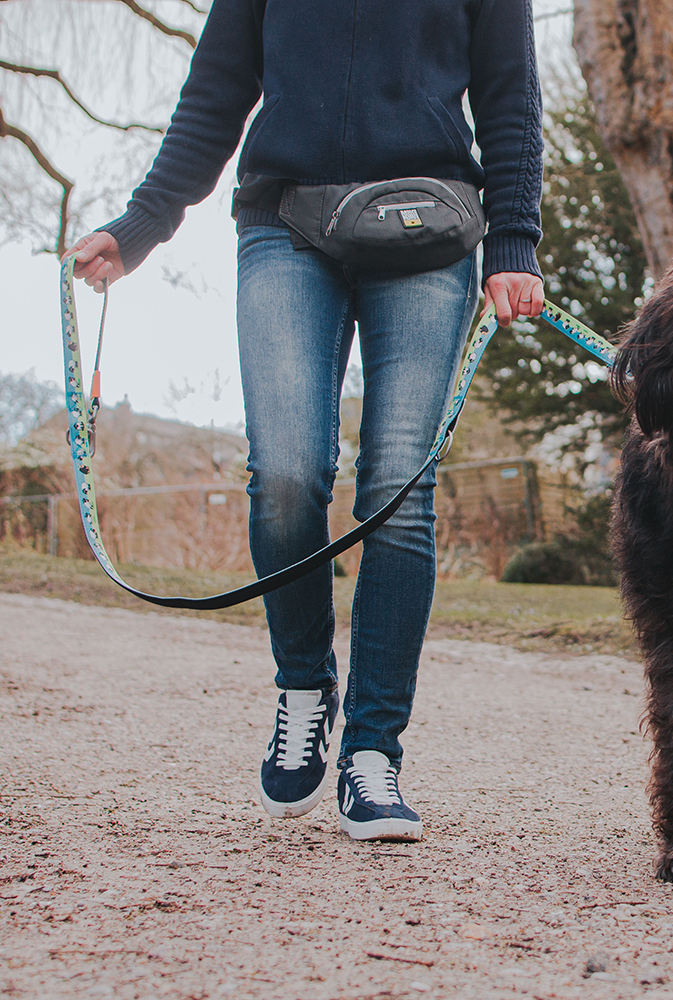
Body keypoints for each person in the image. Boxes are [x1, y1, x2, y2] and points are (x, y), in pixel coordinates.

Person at [65, 0, 544, 842]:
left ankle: (372, 752)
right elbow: (216, 90)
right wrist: (142, 224)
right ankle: (303, 685)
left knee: (399, 487)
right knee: (286, 473)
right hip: (285, 223)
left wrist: (514, 241)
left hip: (429, 227)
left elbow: (511, 96)